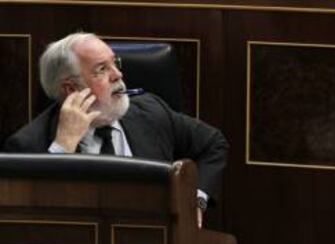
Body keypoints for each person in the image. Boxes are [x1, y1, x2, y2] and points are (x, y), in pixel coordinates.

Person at [2, 32, 229, 228]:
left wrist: (196, 201)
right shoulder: (27, 146)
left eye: (115, 63)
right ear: (71, 89)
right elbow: (34, 224)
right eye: (102, 69)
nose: (118, 75)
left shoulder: (151, 112)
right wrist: (63, 147)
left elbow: (214, 144)